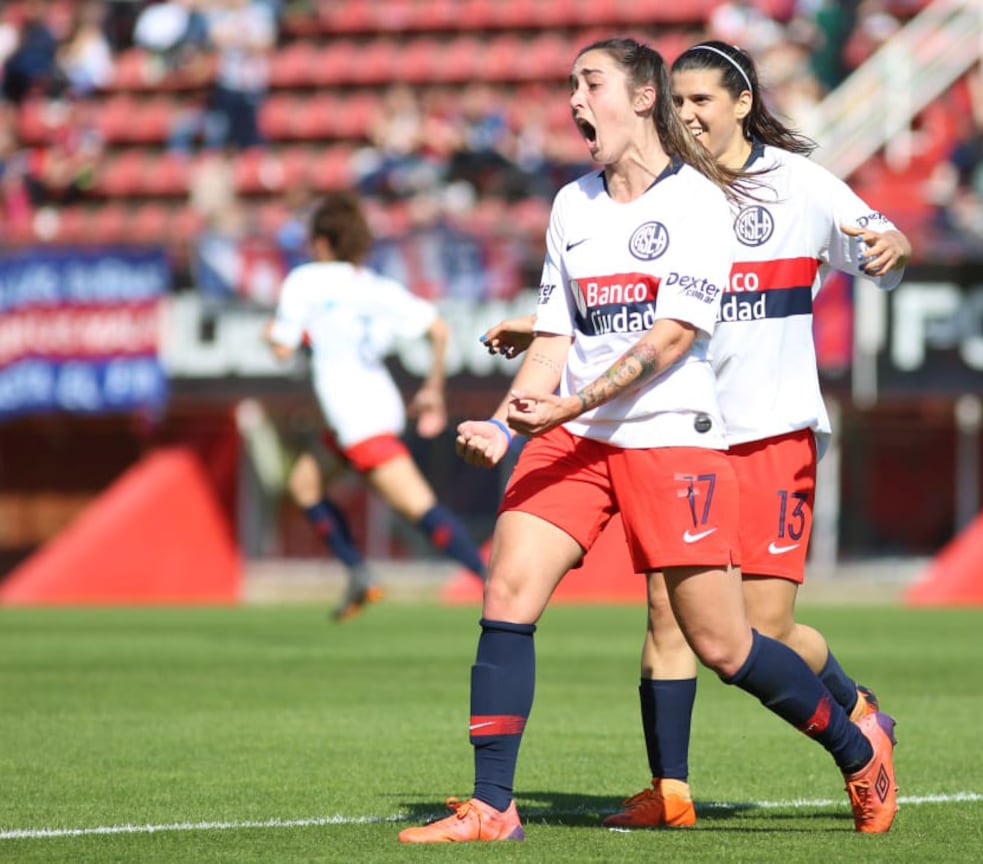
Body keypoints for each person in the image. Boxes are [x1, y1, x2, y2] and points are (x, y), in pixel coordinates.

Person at [397, 37, 895, 845]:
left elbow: (668, 339)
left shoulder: (698, 201)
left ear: (639, 98)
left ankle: (856, 747)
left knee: (726, 644)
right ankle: (492, 807)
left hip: (670, 436)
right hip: (576, 436)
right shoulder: (571, 204)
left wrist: (570, 402)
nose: (573, 100)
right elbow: (555, 338)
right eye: (570, 85)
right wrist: (503, 420)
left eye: (589, 83)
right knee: (507, 593)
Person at [264, 192, 486, 621]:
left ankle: (492, 582)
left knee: (421, 510)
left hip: (357, 419)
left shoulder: (304, 281)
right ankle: (358, 573)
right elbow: (439, 329)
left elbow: (281, 349)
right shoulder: (373, 286)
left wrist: (271, 331)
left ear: (321, 242)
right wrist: (433, 389)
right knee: (304, 484)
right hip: (373, 409)